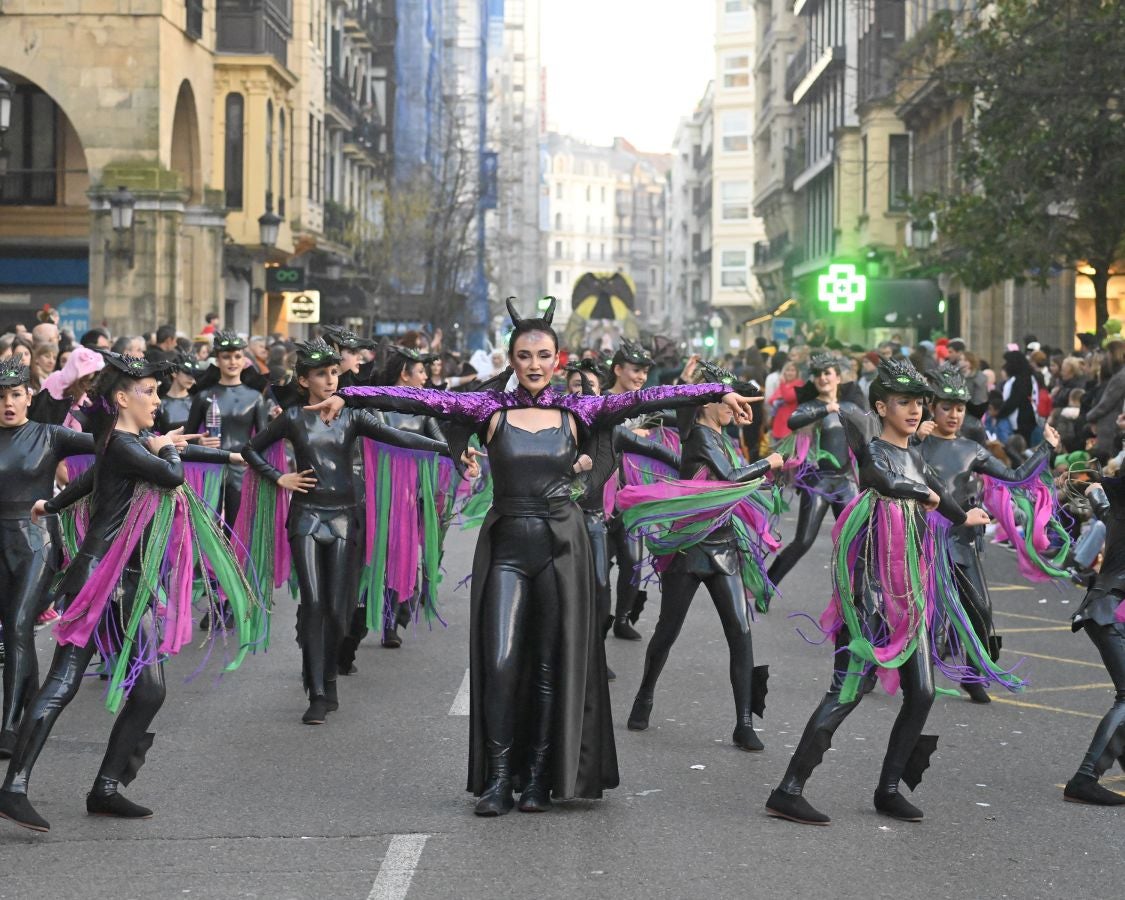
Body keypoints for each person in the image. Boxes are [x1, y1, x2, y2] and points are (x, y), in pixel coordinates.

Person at [307, 297, 756, 816]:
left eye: (544, 355)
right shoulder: (487, 409)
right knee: (498, 660)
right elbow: (419, 401)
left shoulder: (579, 410)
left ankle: (539, 779)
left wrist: (717, 389)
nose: (535, 365)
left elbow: (651, 395)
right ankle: (499, 779)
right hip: (506, 546)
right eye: (524, 356)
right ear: (511, 359)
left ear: (558, 360)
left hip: (561, 546)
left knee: (549, 664)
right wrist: (350, 395)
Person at [0, 353, 248, 833]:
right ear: (121, 398)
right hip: (100, 578)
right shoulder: (124, 444)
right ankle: (13, 788)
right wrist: (167, 450)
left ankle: (106, 788)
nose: (157, 400)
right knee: (64, 683)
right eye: (149, 392)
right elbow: (171, 474)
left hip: (133, 576)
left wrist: (52, 502)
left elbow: (95, 479)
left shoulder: (124, 443)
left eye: (157, 391)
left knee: (151, 688)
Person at [766, 358, 990, 826]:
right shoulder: (874, 451)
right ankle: (788, 789)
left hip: (909, 594)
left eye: (918, 403)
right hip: (867, 596)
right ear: (882, 406)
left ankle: (888, 789)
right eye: (904, 402)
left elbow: (939, 494)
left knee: (924, 692)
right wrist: (925, 496)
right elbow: (887, 483)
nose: (914, 411)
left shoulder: (917, 455)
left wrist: (961, 516)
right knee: (846, 690)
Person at [242, 339, 458, 724]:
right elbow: (252, 449)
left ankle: (328, 676)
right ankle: (318, 691)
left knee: (339, 612)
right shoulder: (292, 418)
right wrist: (281, 477)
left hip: (344, 517)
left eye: (334, 373)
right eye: (322, 374)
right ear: (304, 379)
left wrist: (449, 451)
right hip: (306, 517)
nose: (330, 379)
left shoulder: (353, 416)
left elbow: (400, 438)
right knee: (313, 603)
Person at [621, 361, 782, 750]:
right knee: (667, 631)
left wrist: (742, 420)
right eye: (723, 398)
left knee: (740, 634)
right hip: (688, 549)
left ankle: (744, 722)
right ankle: (644, 695)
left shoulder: (724, 436)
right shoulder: (697, 435)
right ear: (705, 402)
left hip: (724, 547)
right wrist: (769, 463)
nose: (731, 404)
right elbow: (731, 477)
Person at [919, 365, 1060, 703]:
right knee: (919, 615)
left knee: (981, 611)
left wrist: (1047, 448)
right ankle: (874, 671)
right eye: (946, 408)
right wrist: (913, 438)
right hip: (923, 541)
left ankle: (971, 674)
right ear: (932, 407)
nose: (953, 415)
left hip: (962, 543)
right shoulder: (914, 444)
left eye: (959, 408)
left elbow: (1015, 476)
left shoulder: (972, 449)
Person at [0, 360, 95, 759]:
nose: (7, 403)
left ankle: (7, 727)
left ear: (29, 397)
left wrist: (165, 446)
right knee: (13, 631)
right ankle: (27, 711)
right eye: (0, 397)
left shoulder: (49, 434)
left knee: (20, 624)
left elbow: (115, 446)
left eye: (15, 395)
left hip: (37, 542)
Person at [565, 359, 680, 681]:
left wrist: (708, 475)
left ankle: (596, 652)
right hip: (556, 521)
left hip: (596, 519)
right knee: (562, 593)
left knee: (603, 588)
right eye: (577, 386)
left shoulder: (613, 431)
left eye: (590, 387)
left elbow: (667, 455)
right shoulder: (554, 426)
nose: (584, 392)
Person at [767, 353, 866, 590]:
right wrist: (826, 409)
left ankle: (859, 599)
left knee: (858, 542)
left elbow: (871, 435)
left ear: (838, 377)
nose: (823, 378)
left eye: (827, 373)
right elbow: (794, 421)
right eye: (818, 374)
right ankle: (766, 586)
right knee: (803, 540)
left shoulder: (851, 407)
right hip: (817, 482)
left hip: (846, 481)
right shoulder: (810, 406)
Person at [1063, 477, 1125, 805]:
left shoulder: (1117, 509)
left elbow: (1102, 505)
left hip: (1105, 607)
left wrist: (1091, 487)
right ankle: (1085, 778)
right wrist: (1092, 485)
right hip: (1112, 611)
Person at [605, 339, 660, 640]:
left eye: (644, 372)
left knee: (633, 561)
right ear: (618, 369)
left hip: (632, 497)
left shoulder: (643, 403)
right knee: (599, 573)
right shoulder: (598, 401)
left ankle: (623, 619)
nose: (640, 377)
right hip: (600, 498)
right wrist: (628, 434)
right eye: (636, 370)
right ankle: (596, 634)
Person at [155, 352, 208, 434]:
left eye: (195, 374)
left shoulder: (198, 401)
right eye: (187, 373)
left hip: (195, 446)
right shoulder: (159, 404)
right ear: (174, 373)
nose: (192, 378)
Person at [768, 361, 803, 440]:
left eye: (792, 370)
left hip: (789, 428)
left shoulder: (799, 384)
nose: (789, 373)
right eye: (787, 370)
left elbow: (788, 398)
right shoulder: (784, 385)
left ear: (797, 373)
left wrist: (782, 386)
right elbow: (771, 400)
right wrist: (780, 397)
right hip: (778, 425)